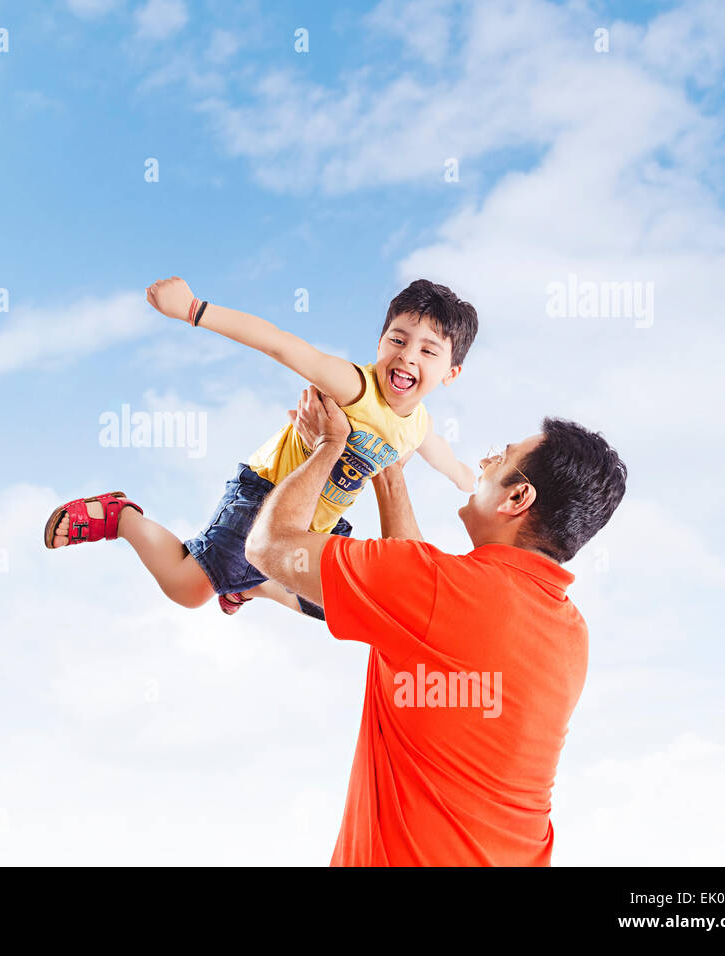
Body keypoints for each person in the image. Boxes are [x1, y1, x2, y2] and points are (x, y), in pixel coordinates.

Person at [246, 386, 627, 866]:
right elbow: (425, 617)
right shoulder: (570, 630)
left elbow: (269, 545)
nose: (485, 462)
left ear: (518, 496)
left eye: (500, 457)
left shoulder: (440, 589)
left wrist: (329, 447)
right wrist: (387, 474)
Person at [43, 276, 479, 620]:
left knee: (345, 605)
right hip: (265, 495)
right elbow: (280, 343)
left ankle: (250, 584)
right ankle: (122, 518)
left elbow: (442, 457)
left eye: (428, 351)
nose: (407, 358)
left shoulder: (419, 424)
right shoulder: (354, 386)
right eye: (398, 340)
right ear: (380, 341)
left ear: (451, 373)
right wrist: (194, 310)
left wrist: (470, 481)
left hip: (314, 521)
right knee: (188, 591)